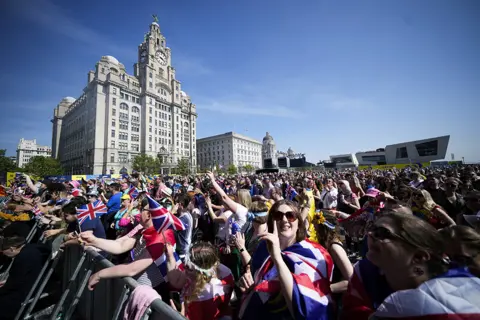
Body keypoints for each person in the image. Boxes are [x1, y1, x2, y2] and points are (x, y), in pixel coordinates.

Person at [341, 212, 479, 320]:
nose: (370, 234)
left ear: (418, 257)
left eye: (381, 233)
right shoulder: (366, 274)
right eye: (371, 227)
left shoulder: (457, 299)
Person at [238, 200, 333, 320]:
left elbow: (304, 309)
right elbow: (256, 279)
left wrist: (277, 257)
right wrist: (249, 285)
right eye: (278, 216)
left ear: (299, 222)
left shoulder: (313, 253)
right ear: (272, 221)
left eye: (290, 216)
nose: (284, 219)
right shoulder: (263, 247)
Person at [81, 197, 178, 302]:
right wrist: (93, 240)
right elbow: (120, 245)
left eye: (141, 209)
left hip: (153, 295)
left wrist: (99, 275)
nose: (138, 212)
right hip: (139, 289)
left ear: (149, 215)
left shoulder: (160, 237)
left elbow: (133, 269)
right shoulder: (143, 229)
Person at [166, 242, 234, 320]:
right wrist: (170, 257)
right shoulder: (220, 269)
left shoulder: (203, 297)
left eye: (189, 267)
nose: (184, 267)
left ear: (201, 273)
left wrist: (178, 317)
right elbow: (177, 281)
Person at [0, 236, 50, 320]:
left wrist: (3, 289)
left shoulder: (22, 257)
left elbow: (15, 282)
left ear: (12, 249)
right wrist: (7, 281)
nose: (5, 255)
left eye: (4, 252)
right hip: (35, 284)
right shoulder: (32, 249)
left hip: (25, 291)